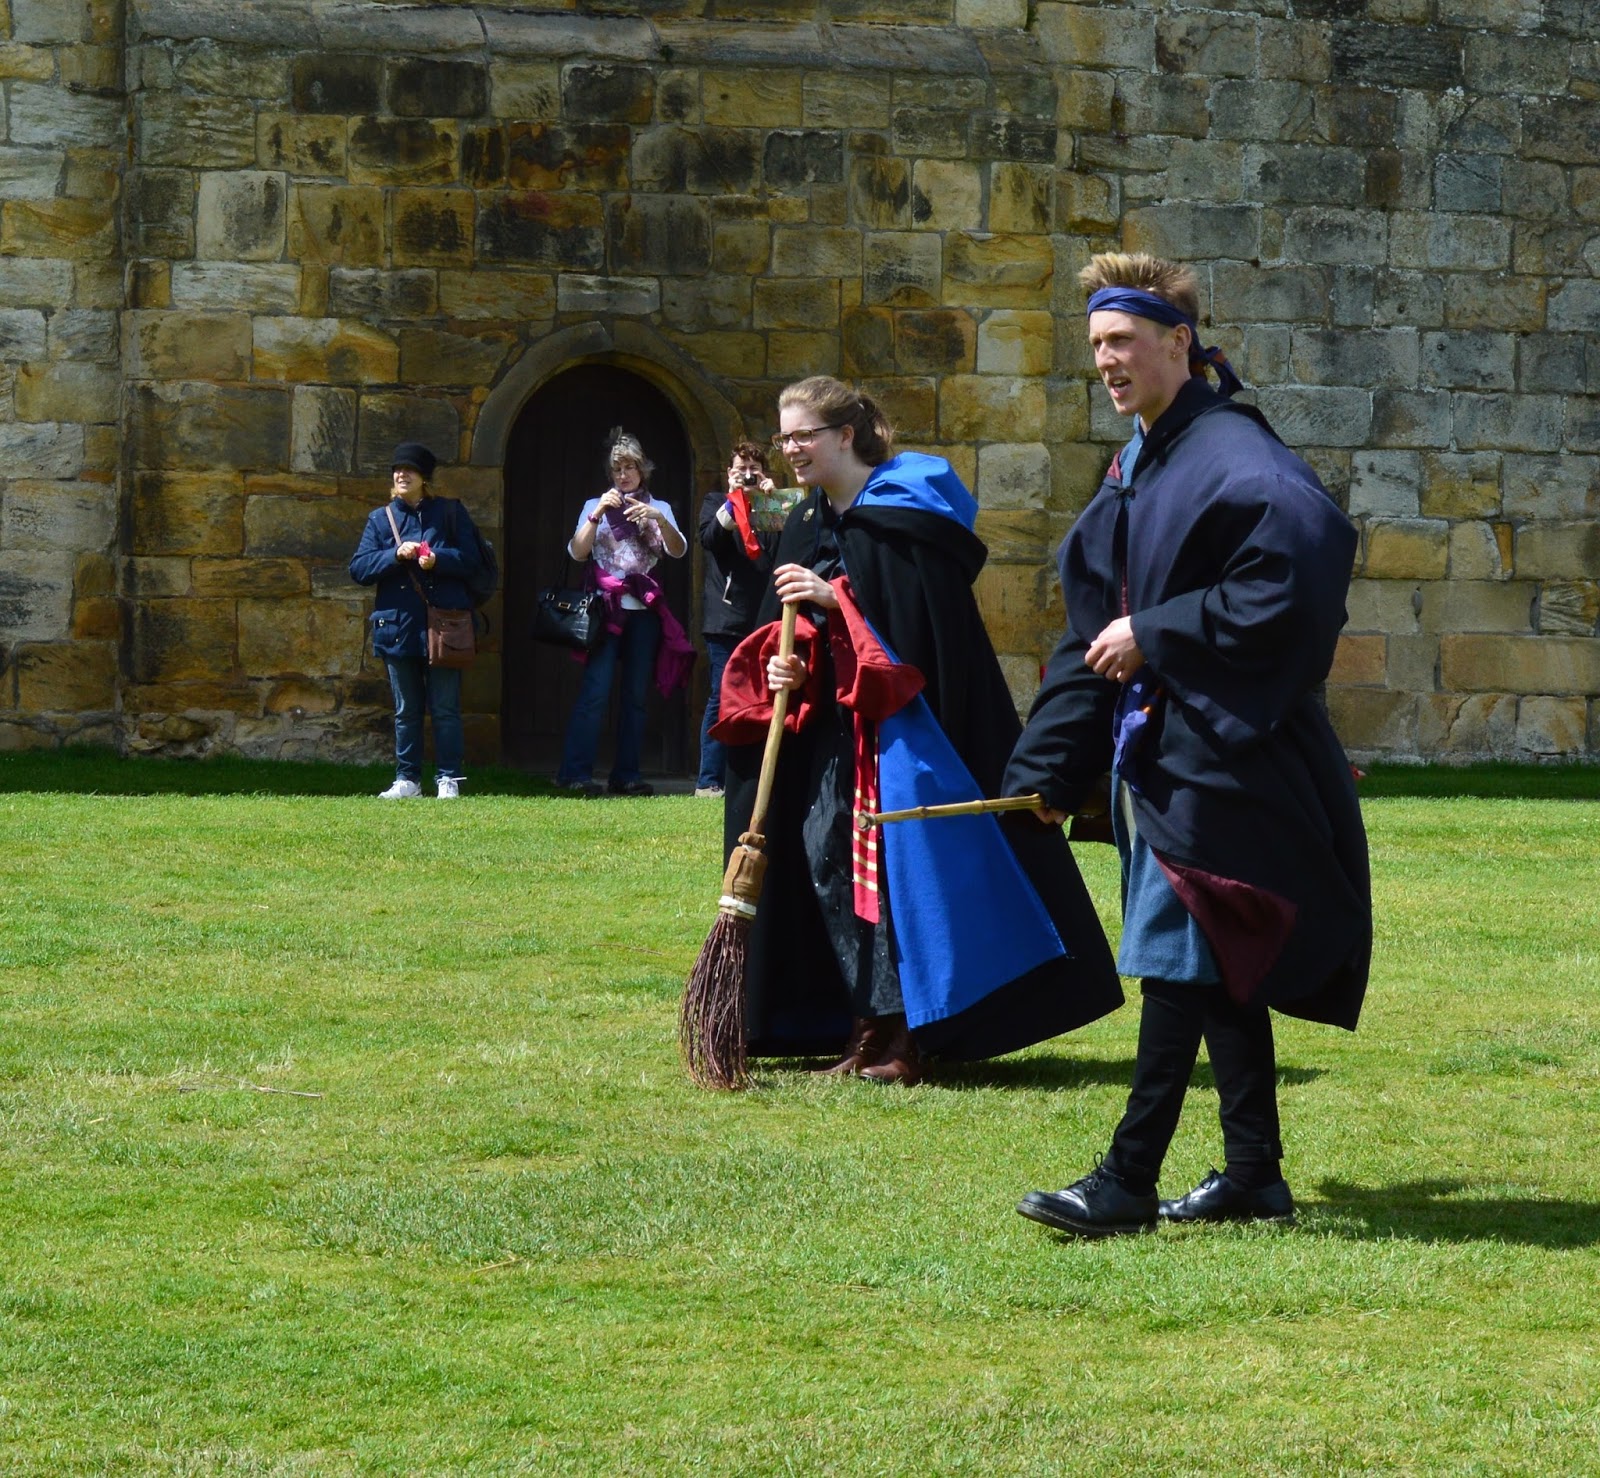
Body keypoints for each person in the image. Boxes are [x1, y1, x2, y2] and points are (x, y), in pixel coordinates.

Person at [1007, 252, 1372, 1237]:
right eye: (1095, 346)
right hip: (1165, 754)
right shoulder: (1143, 460)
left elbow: (1304, 560)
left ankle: (1126, 1177)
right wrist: (1050, 767)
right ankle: (1253, 1172)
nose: (1106, 362)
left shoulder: (1231, 452)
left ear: (1179, 342)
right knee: (1214, 960)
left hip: (1223, 755)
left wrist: (1160, 632)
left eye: (1121, 341)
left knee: (1179, 954)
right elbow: (1095, 622)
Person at [714, 376, 1122, 1086]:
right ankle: (862, 1028)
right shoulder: (811, 521)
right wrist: (792, 666)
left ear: (846, 435)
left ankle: (910, 1037)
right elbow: (799, 628)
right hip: (836, 733)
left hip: (910, 737)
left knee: (903, 877)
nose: (791, 449)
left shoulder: (903, 521)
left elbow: (914, 636)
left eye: (804, 434)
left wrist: (831, 601)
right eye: (784, 436)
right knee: (829, 865)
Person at [555, 429, 692, 798]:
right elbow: (577, 553)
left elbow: (678, 552)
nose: (623, 475)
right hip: (604, 610)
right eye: (617, 469)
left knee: (635, 695)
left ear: (642, 469)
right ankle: (575, 773)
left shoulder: (658, 507)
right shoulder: (593, 505)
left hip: (643, 612)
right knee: (595, 692)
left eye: (630, 467)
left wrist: (657, 520)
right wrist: (597, 515)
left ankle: (627, 774)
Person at [349, 442, 484, 800]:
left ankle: (449, 778)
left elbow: (472, 561)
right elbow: (359, 568)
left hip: (444, 628)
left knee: (444, 707)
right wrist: (394, 554)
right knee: (406, 710)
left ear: (425, 477)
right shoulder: (381, 519)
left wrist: (437, 559)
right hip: (398, 627)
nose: (401, 475)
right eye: (396, 470)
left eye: (409, 469)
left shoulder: (451, 513)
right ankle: (407, 779)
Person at [694, 441, 780, 798]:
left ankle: (751, 778)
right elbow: (710, 539)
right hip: (726, 618)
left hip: (762, 615)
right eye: (739, 470)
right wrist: (734, 501)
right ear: (729, 473)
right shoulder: (716, 503)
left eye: (753, 471)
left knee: (761, 697)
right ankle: (709, 780)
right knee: (721, 695)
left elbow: (779, 551)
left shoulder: (770, 506)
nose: (746, 476)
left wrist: (773, 502)